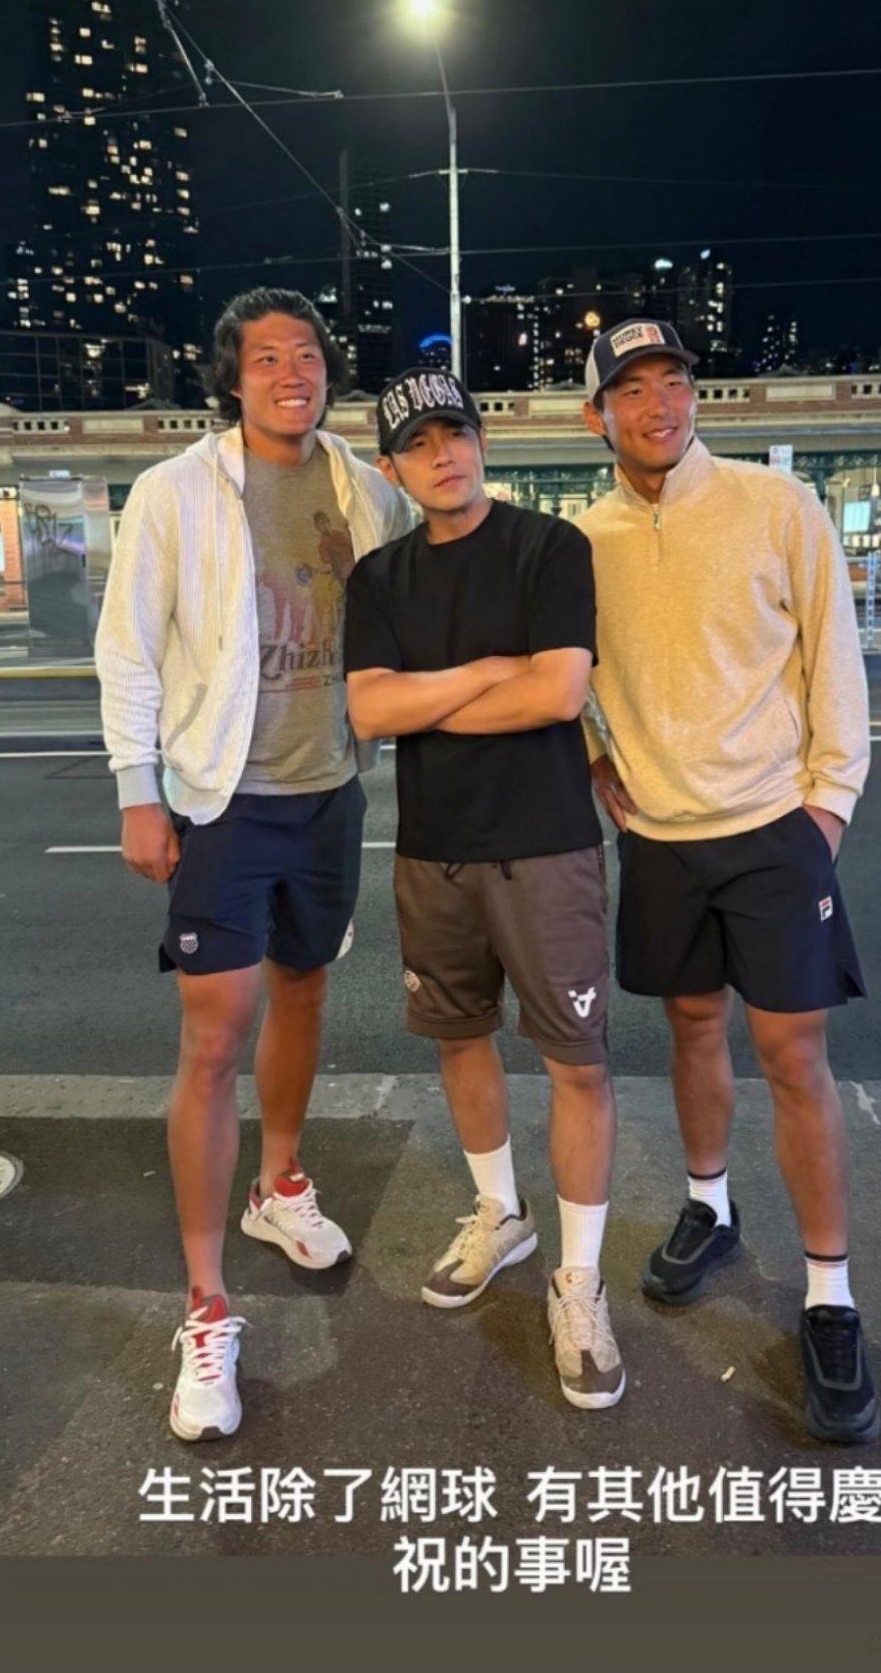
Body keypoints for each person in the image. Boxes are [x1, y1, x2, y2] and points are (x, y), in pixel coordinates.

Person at [96, 287, 412, 1442]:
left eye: (308, 354)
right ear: (231, 379)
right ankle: (206, 1302)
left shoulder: (363, 488)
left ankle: (280, 1185)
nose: (292, 372)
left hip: (329, 791)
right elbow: (129, 646)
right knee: (214, 1031)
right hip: (223, 800)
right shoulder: (178, 492)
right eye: (267, 357)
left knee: (306, 989)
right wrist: (138, 790)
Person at [577, 318, 879, 1443]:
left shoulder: (774, 504)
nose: (659, 404)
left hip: (772, 827)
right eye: (633, 389)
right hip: (660, 835)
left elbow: (834, 657)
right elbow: (571, 673)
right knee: (692, 1024)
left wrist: (828, 806)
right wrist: (594, 754)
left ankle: (830, 1296)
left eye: (674, 382)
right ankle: (710, 1204)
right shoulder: (585, 538)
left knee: (794, 1054)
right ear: (597, 415)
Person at [343, 368, 624, 1410]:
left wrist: (431, 699)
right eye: (419, 444)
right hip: (434, 850)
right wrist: (489, 674)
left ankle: (580, 1279)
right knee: (459, 1037)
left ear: (482, 441)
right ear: (393, 469)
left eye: (455, 433)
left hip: (546, 845)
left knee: (576, 1061)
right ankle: (502, 1212)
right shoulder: (380, 578)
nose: (444, 454)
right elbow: (369, 711)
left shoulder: (550, 547)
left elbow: (559, 691)